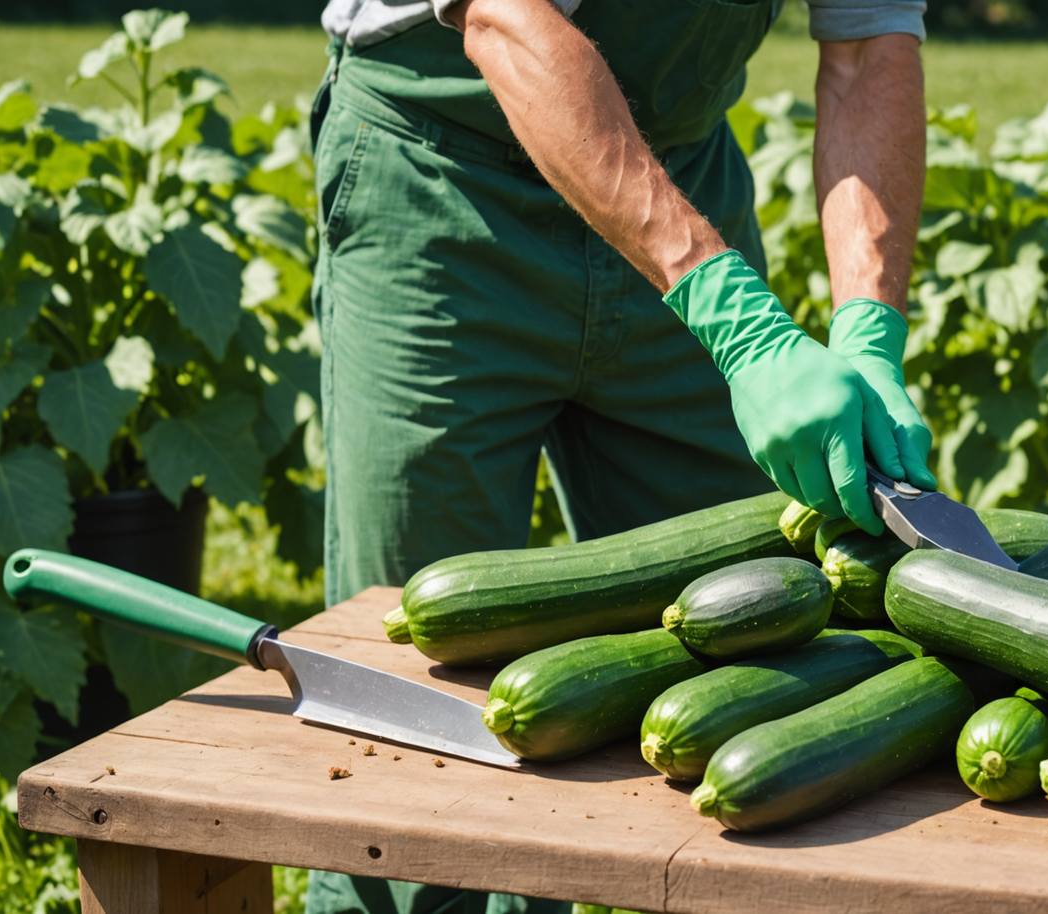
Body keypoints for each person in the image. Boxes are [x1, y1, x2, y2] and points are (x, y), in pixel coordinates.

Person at [305, 0, 933, 909]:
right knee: (416, 688)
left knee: (746, 656)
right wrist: (740, 322)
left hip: (678, 176)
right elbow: (505, 17)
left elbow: (869, 46)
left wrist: (868, 327)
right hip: (442, 180)